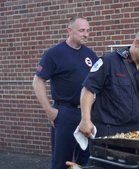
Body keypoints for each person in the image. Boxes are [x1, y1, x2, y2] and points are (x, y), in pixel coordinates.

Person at [32, 16, 99, 169]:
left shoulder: (90, 54)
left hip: (87, 114)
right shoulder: (54, 53)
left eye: (88, 31)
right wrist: (49, 111)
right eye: (82, 30)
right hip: (65, 114)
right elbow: (37, 81)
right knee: (62, 163)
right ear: (70, 31)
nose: (86, 34)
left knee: (87, 160)